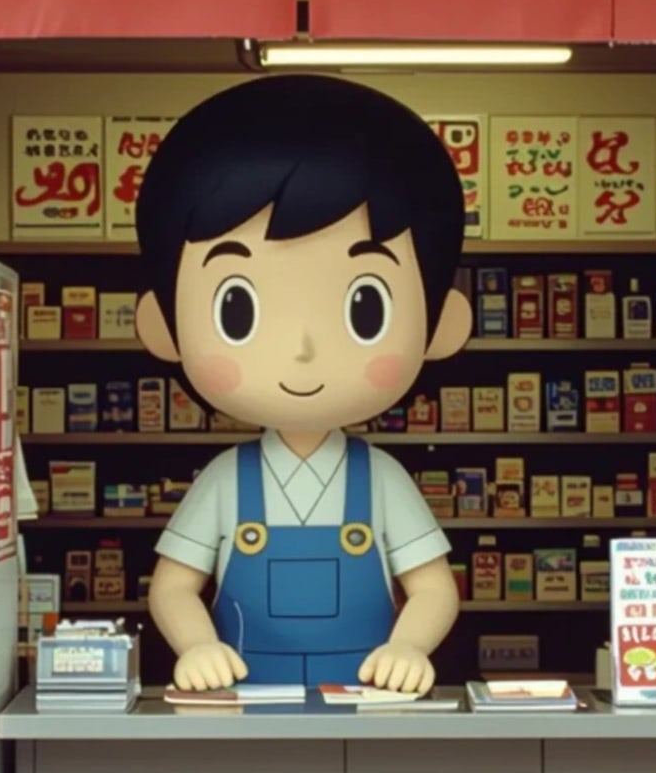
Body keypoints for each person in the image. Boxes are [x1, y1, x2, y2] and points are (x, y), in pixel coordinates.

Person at [134, 75, 472, 694]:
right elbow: (174, 586)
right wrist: (197, 645)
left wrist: (409, 647)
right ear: (163, 326)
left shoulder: (382, 479)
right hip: (243, 699)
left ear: (442, 324)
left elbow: (432, 588)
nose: (303, 351)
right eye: (237, 310)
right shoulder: (225, 481)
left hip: (366, 697)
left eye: (365, 308)